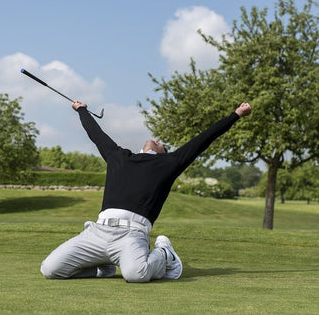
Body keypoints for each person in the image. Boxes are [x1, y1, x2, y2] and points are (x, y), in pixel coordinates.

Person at [40, 102, 252, 282]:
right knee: (50, 269)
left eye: (162, 144)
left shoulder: (169, 163)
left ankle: (164, 253)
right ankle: (100, 266)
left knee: (136, 274)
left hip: (131, 235)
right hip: (97, 232)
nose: (157, 141)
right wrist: (82, 110)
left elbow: (204, 139)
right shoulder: (119, 156)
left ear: (162, 153)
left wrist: (236, 115)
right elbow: (96, 134)